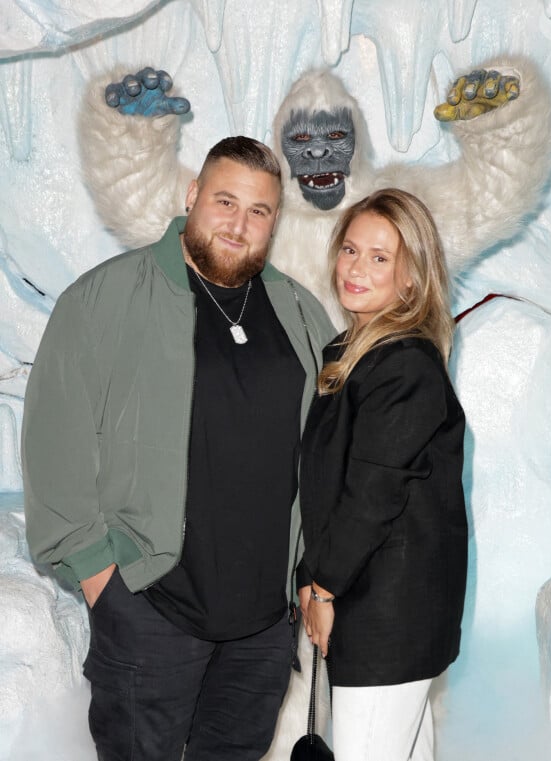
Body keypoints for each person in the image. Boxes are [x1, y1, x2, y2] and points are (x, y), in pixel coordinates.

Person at [22, 136, 335, 761]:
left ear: (275, 220)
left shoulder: (299, 313)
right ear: (192, 197)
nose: (237, 224)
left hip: (262, 628)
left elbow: (327, 455)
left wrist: (311, 578)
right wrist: (101, 582)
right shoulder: (104, 299)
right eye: (225, 201)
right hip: (150, 610)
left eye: (258, 211)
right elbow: (54, 443)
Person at [298, 188, 468, 761]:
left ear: (412, 278)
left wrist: (322, 586)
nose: (356, 268)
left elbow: (370, 496)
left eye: (379, 257)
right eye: (350, 249)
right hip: (379, 609)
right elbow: (331, 486)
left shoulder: (403, 366)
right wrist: (310, 574)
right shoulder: (357, 353)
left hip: (385, 619)